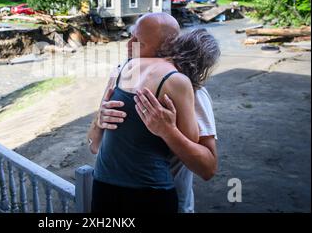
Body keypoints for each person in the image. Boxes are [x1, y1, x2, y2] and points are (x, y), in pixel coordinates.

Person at [88, 13, 220, 213]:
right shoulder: (122, 73)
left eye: (138, 41)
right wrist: (99, 120)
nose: (128, 45)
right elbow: (95, 146)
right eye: (130, 36)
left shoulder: (193, 91)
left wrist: (168, 131)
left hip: (164, 198)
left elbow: (208, 169)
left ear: (165, 48)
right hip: (116, 190)